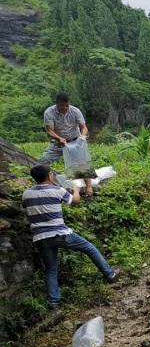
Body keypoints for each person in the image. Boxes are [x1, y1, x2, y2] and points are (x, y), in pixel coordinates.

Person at [22, 164, 119, 309]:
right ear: (49, 175)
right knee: (89, 248)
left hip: (40, 237)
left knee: (51, 268)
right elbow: (75, 200)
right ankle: (110, 274)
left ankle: (54, 303)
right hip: (60, 233)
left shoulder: (26, 194)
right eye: (52, 174)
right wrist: (76, 189)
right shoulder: (56, 190)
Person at [41, 92, 94, 196]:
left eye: (67, 105)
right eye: (62, 105)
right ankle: (47, 184)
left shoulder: (75, 111)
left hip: (75, 141)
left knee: (83, 163)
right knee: (43, 161)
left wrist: (82, 136)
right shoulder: (49, 112)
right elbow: (49, 131)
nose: (65, 107)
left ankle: (89, 186)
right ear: (57, 104)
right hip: (58, 142)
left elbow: (84, 127)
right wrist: (59, 138)